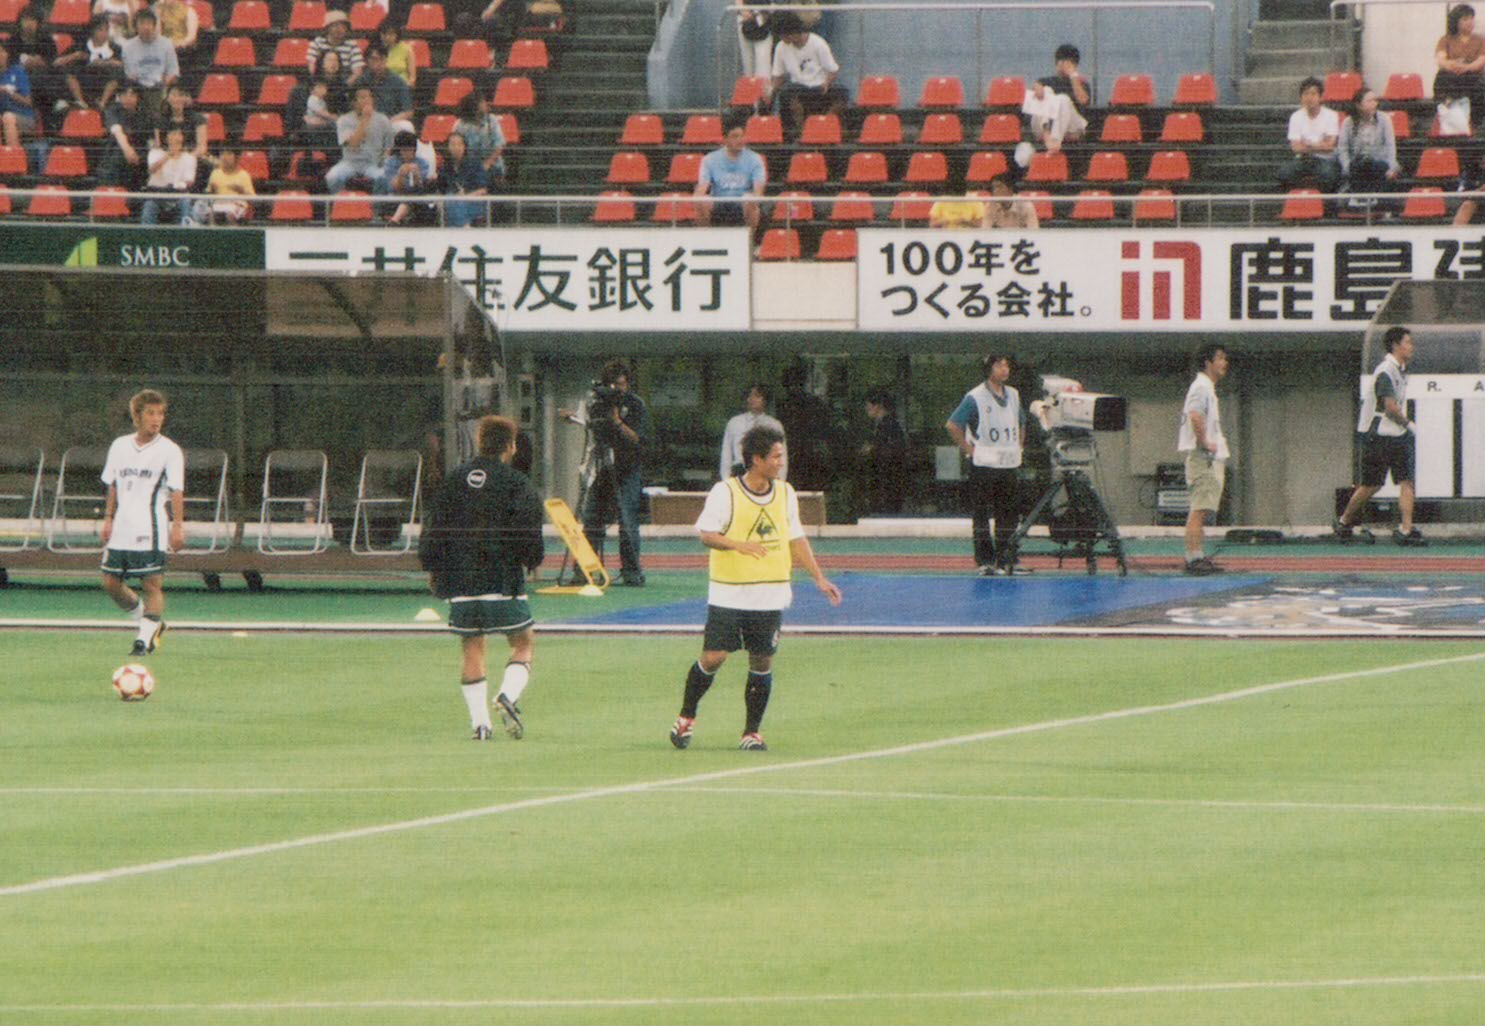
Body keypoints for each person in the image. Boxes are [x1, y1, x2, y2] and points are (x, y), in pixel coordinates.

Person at [669, 424, 841, 752]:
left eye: (781, 456)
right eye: (775, 457)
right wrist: (739, 545)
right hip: (729, 592)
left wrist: (819, 578)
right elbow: (706, 534)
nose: (780, 462)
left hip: (770, 594)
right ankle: (686, 715)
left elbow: (796, 537)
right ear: (757, 459)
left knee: (762, 661)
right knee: (714, 657)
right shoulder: (726, 492)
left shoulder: (785, 493)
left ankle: (751, 732)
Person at [418, 414, 545, 741]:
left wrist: (433, 567)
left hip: (461, 580)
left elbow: (434, 526)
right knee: (523, 643)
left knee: (472, 648)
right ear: (511, 446)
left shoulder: (454, 479)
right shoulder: (517, 483)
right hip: (502, 579)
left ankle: (480, 726)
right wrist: (532, 560)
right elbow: (528, 527)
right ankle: (507, 695)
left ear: (479, 441)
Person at [100, 389, 185, 658]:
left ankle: (142, 640)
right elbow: (113, 484)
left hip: (151, 527)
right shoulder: (119, 446)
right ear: (137, 416)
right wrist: (108, 518)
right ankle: (148, 623)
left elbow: (177, 490)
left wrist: (178, 526)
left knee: (151, 584)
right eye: (150, 413)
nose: (156, 419)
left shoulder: (169, 450)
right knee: (110, 583)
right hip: (121, 527)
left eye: (160, 414)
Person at [1334, 326, 1426, 547]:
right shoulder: (1386, 371)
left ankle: (1406, 529)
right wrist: (1409, 424)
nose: (1411, 347)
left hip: (1396, 434)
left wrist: (1404, 428)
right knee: (1372, 484)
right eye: (1408, 342)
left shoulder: (1401, 371)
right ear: (1395, 345)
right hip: (1377, 434)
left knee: (1407, 481)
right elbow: (1390, 408)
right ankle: (1344, 522)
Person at [564, 360, 649, 587]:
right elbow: (590, 425)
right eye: (613, 385)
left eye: (621, 384)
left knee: (627, 520)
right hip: (601, 467)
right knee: (591, 518)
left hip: (628, 467)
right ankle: (583, 571)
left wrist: (617, 421)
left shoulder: (635, 404)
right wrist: (575, 418)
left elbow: (638, 439)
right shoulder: (596, 402)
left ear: (627, 383)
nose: (617, 390)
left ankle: (631, 571)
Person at [946, 354, 1028, 576]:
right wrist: (968, 449)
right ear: (988, 369)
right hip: (983, 463)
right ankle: (985, 561)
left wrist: (1019, 446)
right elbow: (952, 424)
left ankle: (1007, 559)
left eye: (1007, 365)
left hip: (1008, 463)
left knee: (1008, 513)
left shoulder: (1014, 395)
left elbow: (1021, 422)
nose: (1005, 369)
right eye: (999, 365)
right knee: (981, 513)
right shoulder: (975, 397)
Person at [1176, 343, 1230, 576]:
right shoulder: (1201, 387)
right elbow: (1195, 415)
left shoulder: (1207, 387)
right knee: (1199, 509)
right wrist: (1205, 442)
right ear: (1208, 363)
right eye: (1220, 358)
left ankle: (1197, 555)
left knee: (1203, 509)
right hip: (1203, 457)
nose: (1224, 363)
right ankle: (1193, 558)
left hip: (1209, 457)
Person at [770, 12, 847, 137]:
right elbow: (779, 75)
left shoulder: (818, 43)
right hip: (798, 87)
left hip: (819, 87)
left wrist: (827, 83)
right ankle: (799, 132)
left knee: (842, 93)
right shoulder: (781, 47)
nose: (782, 38)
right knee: (786, 94)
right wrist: (771, 91)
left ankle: (826, 127)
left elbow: (832, 70)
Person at [695, 111, 766, 230]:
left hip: (742, 204)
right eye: (735, 136)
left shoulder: (755, 159)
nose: (740, 140)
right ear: (725, 140)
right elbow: (702, 188)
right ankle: (705, 238)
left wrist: (753, 198)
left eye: (742, 136)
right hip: (719, 203)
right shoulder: (709, 159)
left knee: (750, 199)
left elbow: (758, 191)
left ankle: (750, 238)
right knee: (701, 200)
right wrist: (698, 198)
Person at [1337, 87, 1400, 209]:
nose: (1374, 104)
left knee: (1379, 168)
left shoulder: (1384, 119)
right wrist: (1346, 166)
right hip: (1357, 164)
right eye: (1369, 101)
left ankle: (1377, 202)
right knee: (1357, 167)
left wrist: (1392, 167)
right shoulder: (1348, 122)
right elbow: (1342, 148)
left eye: (1375, 100)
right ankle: (1356, 199)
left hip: (1379, 162)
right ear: (1358, 105)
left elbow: (1390, 146)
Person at [1278, 76, 1341, 195]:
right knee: (1284, 173)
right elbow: (1296, 148)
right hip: (1302, 159)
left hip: (1325, 159)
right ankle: (1295, 203)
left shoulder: (1331, 116)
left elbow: (1329, 146)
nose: (1309, 98)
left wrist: (1308, 144)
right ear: (1301, 97)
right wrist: (1319, 145)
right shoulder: (1295, 117)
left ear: (1321, 97)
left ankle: (1325, 205)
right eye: (1305, 94)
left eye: (1313, 94)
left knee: (1329, 175)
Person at [326, 85, 394, 193]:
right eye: (362, 97)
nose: (367, 100)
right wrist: (365, 120)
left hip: (373, 163)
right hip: (350, 162)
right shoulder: (344, 120)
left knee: (384, 178)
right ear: (354, 103)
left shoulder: (383, 120)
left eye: (369, 97)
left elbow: (389, 146)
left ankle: (376, 204)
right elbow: (353, 145)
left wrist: (383, 162)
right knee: (332, 177)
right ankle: (337, 202)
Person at [1434, 4, 1485, 133]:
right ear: (1456, 21)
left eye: (1472, 18)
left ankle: (1475, 125)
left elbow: (1481, 61)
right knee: (1443, 76)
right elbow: (1441, 60)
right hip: (1452, 76)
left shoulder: (1480, 40)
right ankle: (1450, 112)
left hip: (1472, 77)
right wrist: (1453, 64)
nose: (1470, 22)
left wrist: (1466, 67)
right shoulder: (1446, 39)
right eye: (1465, 19)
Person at [719, 382, 786, 480]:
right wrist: (725, 478)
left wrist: (780, 479)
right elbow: (726, 454)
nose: (752, 399)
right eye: (750, 396)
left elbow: (781, 454)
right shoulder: (734, 423)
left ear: (765, 400)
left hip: (765, 471)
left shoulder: (774, 425)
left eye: (757, 396)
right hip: (739, 471)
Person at [120, 8, 178, 114]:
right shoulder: (128, 47)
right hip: (139, 87)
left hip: (160, 87)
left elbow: (173, 72)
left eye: (149, 23)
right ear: (136, 27)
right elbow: (130, 75)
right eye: (142, 23)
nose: (146, 27)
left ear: (154, 25)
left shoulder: (167, 44)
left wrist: (164, 83)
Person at [860, 387, 908, 515]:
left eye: (869, 405)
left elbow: (892, 453)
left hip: (887, 483)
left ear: (879, 406)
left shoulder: (889, 426)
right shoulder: (879, 425)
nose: (866, 408)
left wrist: (872, 449)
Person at [61, 17, 124, 112]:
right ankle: (80, 101)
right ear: (92, 31)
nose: (104, 33)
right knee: (70, 72)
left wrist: (106, 62)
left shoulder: (115, 48)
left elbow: (122, 64)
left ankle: (102, 103)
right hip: (84, 80)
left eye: (106, 30)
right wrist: (74, 56)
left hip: (104, 81)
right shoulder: (80, 46)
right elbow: (57, 62)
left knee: (117, 73)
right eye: (100, 30)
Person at [140, 126, 196, 224]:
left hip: (178, 195)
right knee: (149, 206)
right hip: (157, 195)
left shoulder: (189, 158)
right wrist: (168, 156)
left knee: (186, 203)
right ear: (166, 138)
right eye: (173, 134)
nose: (176, 137)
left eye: (179, 134)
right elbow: (152, 170)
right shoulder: (155, 153)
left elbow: (189, 181)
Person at [99, 81, 151, 187]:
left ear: (138, 97)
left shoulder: (145, 113)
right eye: (124, 95)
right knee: (118, 155)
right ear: (119, 97)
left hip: (139, 153)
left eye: (132, 95)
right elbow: (117, 131)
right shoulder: (112, 110)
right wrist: (127, 150)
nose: (128, 98)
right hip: (118, 152)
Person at [383, 129, 433, 224]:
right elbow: (394, 187)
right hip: (396, 196)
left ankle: (394, 221)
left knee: (413, 198)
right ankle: (395, 220)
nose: (408, 153)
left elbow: (421, 187)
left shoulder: (422, 163)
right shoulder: (391, 162)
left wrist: (417, 176)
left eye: (410, 150)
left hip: (416, 198)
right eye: (404, 150)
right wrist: (400, 175)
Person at [442, 130, 490, 226]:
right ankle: (465, 228)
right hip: (453, 204)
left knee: (455, 204)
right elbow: (443, 191)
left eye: (459, 144)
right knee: (451, 203)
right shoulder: (445, 168)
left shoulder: (475, 164)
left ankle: (464, 230)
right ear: (448, 147)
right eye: (453, 144)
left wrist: (465, 197)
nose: (456, 147)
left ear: (465, 147)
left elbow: (483, 190)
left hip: (474, 203)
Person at [197, 146, 254, 223]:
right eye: (222, 154)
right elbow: (208, 193)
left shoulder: (244, 175)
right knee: (211, 213)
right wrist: (213, 190)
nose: (225, 157)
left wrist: (241, 191)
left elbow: (253, 199)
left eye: (229, 154)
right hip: (220, 202)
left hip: (237, 204)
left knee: (229, 214)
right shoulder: (215, 173)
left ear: (236, 158)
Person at [363, 45, 413, 131]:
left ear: (386, 60)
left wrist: (388, 123)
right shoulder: (361, 81)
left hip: (391, 121)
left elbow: (407, 111)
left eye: (381, 59)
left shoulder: (398, 82)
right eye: (373, 59)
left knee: (406, 126)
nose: (378, 63)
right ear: (367, 61)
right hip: (366, 123)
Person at [306, 10, 364, 83]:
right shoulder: (317, 43)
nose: (340, 29)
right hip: (320, 82)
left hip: (343, 83)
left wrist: (343, 87)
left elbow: (357, 72)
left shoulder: (352, 45)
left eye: (343, 26)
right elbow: (311, 68)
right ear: (328, 28)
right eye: (336, 26)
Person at [736, 0, 775, 101]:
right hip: (744, 19)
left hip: (764, 18)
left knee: (763, 68)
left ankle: (764, 104)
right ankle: (749, 103)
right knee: (748, 69)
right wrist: (743, 10)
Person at [0, 42, 35, 150]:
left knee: (8, 117)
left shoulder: (18, 71)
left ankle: (14, 157)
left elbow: (29, 102)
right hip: (3, 116)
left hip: (24, 117)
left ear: (7, 54)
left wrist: (9, 92)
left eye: (1, 52)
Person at [378, 22, 416, 87]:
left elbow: (412, 79)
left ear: (397, 35)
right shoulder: (376, 50)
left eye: (390, 34)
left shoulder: (407, 50)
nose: (387, 37)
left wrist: (403, 87)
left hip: (401, 87)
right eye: (384, 34)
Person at [1454, 151, 1485, 224]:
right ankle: (1456, 230)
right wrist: (1480, 190)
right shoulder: (1472, 174)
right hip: (1478, 203)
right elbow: (1461, 194)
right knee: (1467, 205)